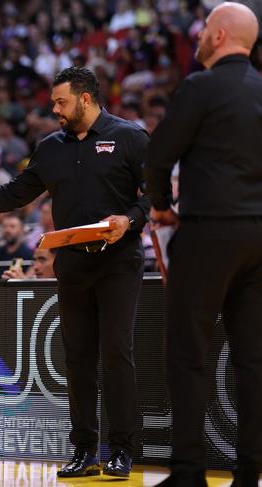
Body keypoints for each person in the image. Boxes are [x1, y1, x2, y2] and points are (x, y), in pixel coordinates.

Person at [0, 67, 150, 478]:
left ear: (85, 99)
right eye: (54, 102)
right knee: (78, 359)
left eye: (61, 102)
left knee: (116, 354)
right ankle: (84, 451)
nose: (55, 109)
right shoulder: (51, 147)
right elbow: (12, 194)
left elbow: (156, 192)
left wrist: (131, 219)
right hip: (72, 264)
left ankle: (123, 450)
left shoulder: (130, 137)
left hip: (118, 261)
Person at [145, 4, 262, 486]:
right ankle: (250, 474)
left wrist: (161, 204)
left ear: (217, 35)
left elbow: (157, 156)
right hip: (259, 237)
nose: (196, 38)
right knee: (253, 360)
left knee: (188, 354)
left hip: (208, 230)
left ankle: (189, 473)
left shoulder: (199, 87)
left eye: (201, 31)